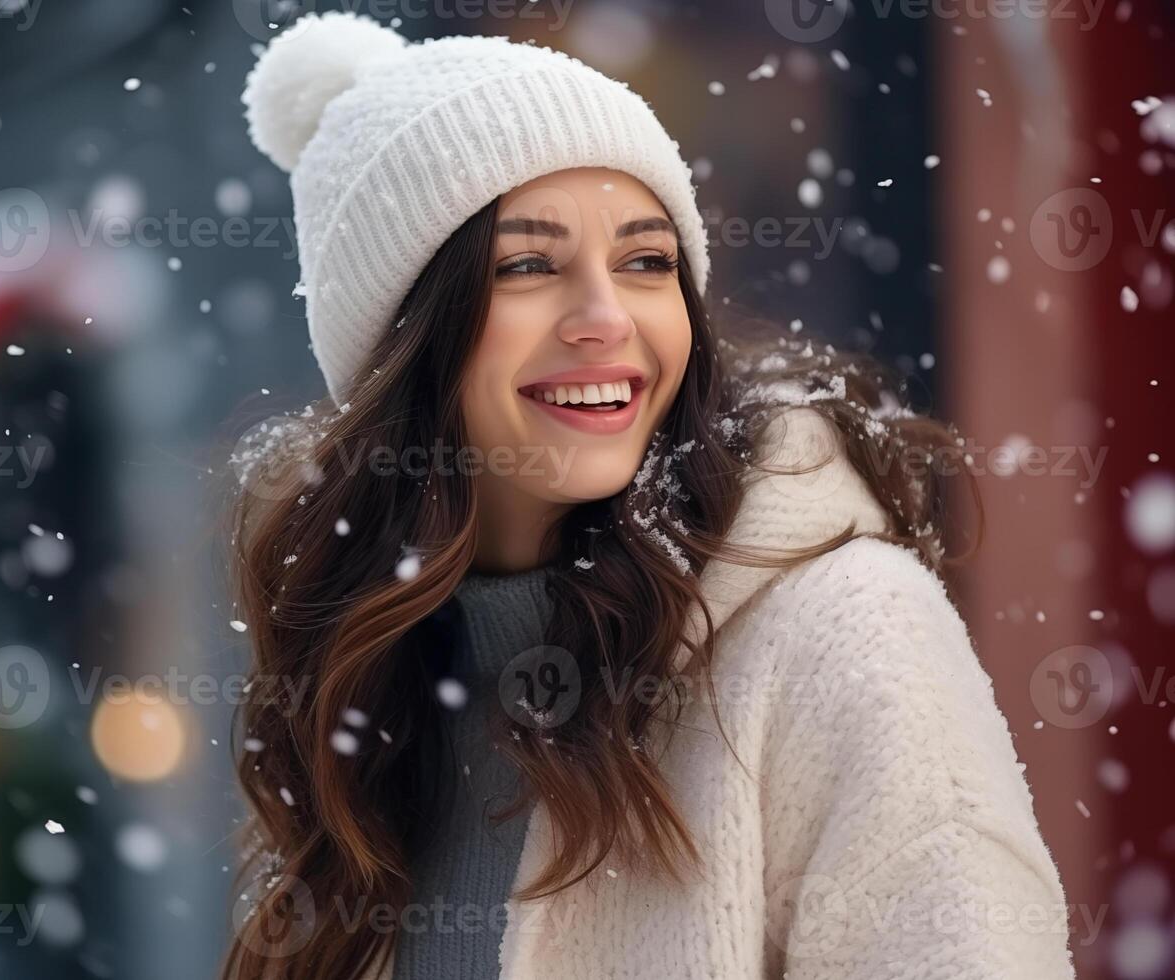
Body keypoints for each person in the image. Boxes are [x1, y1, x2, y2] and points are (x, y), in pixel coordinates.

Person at [224, 12, 1076, 979]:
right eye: (527, 265)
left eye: (645, 261)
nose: (604, 319)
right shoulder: (371, 701)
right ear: (403, 342)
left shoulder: (841, 635)